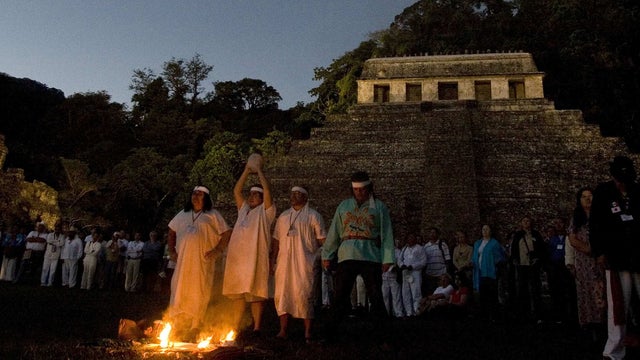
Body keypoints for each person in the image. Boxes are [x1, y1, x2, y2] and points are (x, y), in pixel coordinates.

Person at [321, 171, 394, 343]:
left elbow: (387, 233)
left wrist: (387, 258)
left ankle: (383, 337)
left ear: (368, 188)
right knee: (339, 296)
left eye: (362, 189)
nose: (359, 193)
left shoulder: (379, 207)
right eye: (356, 190)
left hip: (370, 254)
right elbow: (335, 232)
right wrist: (327, 253)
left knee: (375, 296)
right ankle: (329, 335)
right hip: (347, 253)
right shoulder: (344, 206)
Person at [589, 156, 640, 360]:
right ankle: (614, 350)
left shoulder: (637, 191)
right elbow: (595, 224)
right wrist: (599, 252)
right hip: (616, 258)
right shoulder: (603, 192)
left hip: (638, 255)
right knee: (618, 306)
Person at [167, 185, 232, 340]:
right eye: (194, 193)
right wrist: (171, 250)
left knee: (199, 289)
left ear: (206, 198)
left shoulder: (213, 215)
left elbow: (227, 232)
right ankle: (176, 324)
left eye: (200, 194)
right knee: (179, 288)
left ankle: (195, 326)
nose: (195, 196)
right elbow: (171, 231)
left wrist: (218, 250)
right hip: (183, 262)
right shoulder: (183, 214)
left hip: (202, 262)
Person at [222, 157, 276, 336]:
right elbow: (236, 191)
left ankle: (257, 327)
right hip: (238, 258)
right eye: (251, 194)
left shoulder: (266, 212)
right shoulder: (244, 210)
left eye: (255, 194)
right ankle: (236, 325)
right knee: (238, 293)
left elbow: (267, 191)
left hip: (255, 257)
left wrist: (259, 170)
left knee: (255, 294)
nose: (251, 197)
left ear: (261, 199)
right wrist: (246, 170)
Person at [271, 185, 326, 342]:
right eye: (292, 194)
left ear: (305, 197)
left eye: (298, 194)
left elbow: (322, 238)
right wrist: (272, 259)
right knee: (282, 294)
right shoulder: (283, 217)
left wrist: (328, 254)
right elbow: (276, 240)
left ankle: (308, 331)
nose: (294, 196)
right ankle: (283, 330)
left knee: (304, 294)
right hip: (284, 263)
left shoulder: (313, 216)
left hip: (304, 263)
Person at [565, 187, 605, 345]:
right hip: (584, 261)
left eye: (590, 196)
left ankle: (603, 323)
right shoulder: (576, 218)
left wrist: (599, 251)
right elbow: (572, 239)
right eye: (584, 197)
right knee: (586, 293)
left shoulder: (601, 216)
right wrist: (589, 249)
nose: (588, 199)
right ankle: (590, 326)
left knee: (601, 291)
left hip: (600, 260)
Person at [510, 217, 546, 323]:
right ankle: (523, 312)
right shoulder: (518, 235)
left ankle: (537, 312)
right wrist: (515, 259)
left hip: (533, 265)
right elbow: (514, 248)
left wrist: (537, 258)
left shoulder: (536, 234)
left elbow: (541, 248)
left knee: (535, 288)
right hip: (522, 265)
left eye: (528, 221)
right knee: (522, 288)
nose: (526, 222)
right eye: (524, 221)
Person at [472, 224, 506, 322]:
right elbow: (475, 256)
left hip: (490, 272)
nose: (484, 231)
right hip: (480, 272)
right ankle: (484, 314)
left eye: (487, 229)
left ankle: (494, 315)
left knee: (492, 294)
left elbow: (500, 257)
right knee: (482, 294)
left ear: (491, 231)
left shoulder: (494, 243)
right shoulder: (478, 243)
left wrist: (493, 263)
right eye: (483, 229)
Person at [398, 232, 427, 317]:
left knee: (416, 292)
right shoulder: (404, 249)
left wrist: (413, 266)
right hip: (406, 273)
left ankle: (417, 312)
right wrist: (401, 265)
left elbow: (423, 262)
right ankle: (409, 312)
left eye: (412, 237)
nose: (410, 239)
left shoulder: (419, 248)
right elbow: (399, 260)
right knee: (406, 293)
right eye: (409, 237)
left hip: (415, 273)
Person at [422, 227, 451, 297]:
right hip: (430, 275)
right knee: (431, 294)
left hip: (441, 275)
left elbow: (447, 259)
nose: (432, 234)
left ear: (438, 234)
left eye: (434, 233)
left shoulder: (443, 245)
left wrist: (446, 272)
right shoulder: (426, 247)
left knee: (441, 294)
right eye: (430, 233)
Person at [382, 239, 404, 318]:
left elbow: (400, 262)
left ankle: (398, 314)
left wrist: (393, 267)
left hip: (393, 277)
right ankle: (386, 313)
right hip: (384, 277)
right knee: (385, 296)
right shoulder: (383, 250)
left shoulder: (397, 251)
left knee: (396, 297)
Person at [41, 222, 65, 287]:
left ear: (60, 230)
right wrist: (57, 242)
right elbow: (49, 241)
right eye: (56, 229)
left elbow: (62, 244)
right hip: (48, 254)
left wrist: (54, 242)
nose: (57, 230)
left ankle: (50, 283)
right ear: (55, 229)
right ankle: (43, 282)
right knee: (45, 268)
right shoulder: (50, 235)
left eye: (58, 229)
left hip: (56, 255)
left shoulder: (62, 236)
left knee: (53, 270)